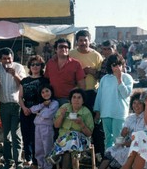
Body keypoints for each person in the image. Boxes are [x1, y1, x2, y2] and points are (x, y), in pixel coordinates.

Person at [83, 92, 147, 169]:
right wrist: (123, 134)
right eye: (134, 103)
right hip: (126, 145)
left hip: (138, 148)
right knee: (111, 150)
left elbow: (144, 138)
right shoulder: (130, 118)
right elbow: (122, 137)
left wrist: (126, 143)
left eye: (139, 103)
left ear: (144, 105)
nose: (136, 106)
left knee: (118, 154)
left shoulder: (146, 118)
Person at [46, 88, 94, 169]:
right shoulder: (64, 107)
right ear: (70, 99)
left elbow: (89, 134)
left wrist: (82, 124)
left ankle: (56, 155)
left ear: (83, 100)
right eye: (74, 97)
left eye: (79, 98)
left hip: (81, 141)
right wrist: (62, 115)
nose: (76, 100)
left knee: (72, 134)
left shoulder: (86, 112)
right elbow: (56, 125)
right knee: (68, 148)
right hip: (63, 141)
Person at [0, 47, 27, 169]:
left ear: (13, 58)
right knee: (6, 136)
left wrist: (14, 75)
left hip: (16, 105)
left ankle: (19, 163)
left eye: (9, 58)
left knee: (16, 135)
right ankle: (8, 161)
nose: (7, 61)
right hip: (4, 105)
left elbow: (23, 84)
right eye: (4, 59)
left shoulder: (18, 67)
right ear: (0, 59)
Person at [69, 30, 104, 158]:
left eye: (85, 40)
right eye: (80, 40)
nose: (83, 43)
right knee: (77, 121)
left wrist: (92, 72)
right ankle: (80, 152)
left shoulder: (97, 56)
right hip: (75, 93)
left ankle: (99, 152)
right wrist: (80, 73)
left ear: (89, 41)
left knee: (95, 122)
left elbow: (101, 76)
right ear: (76, 42)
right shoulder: (71, 54)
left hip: (92, 93)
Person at [94, 53, 134, 148]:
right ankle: (108, 160)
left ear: (122, 65)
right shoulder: (104, 79)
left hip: (119, 113)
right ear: (110, 66)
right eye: (114, 65)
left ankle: (119, 160)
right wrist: (98, 111)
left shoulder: (127, 78)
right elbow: (99, 96)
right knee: (108, 139)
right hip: (105, 113)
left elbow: (126, 94)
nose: (117, 67)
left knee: (119, 139)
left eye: (119, 64)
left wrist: (119, 79)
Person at [19, 55, 49, 169]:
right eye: (33, 64)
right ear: (29, 67)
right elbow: (20, 97)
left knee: (39, 138)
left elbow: (47, 95)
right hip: (26, 111)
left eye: (38, 64)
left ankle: (38, 163)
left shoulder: (45, 80)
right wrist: (24, 108)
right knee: (27, 137)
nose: (35, 67)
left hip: (41, 113)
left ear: (41, 66)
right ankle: (28, 159)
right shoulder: (24, 81)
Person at [29, 84, 59, 169]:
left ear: (51, 92)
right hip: (37, 127)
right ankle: (41, 167)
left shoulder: (55, 103)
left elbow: (48, 115)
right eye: (42, 92)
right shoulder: (41, 104)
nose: (45, 94)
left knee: (47, 148)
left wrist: (39, 113)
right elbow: (32, 109)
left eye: (47, 91)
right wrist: (42, 106)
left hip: (47, 128)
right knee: (39, 149)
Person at [45, 38, 86, 106]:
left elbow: (82, 85)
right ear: (56, 49)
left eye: (66, 47)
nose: (64, 49)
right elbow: (46, 81)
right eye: (61, 47)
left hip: (68, 101)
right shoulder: (50, 63)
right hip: (51, 100)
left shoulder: (76, 64)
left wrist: (76, 102)